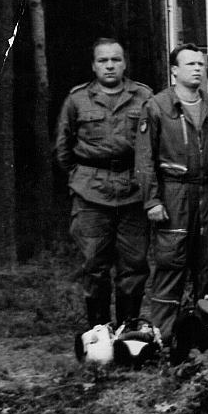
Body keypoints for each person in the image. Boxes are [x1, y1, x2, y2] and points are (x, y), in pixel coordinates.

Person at [135, 44, 208, 343]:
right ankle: (164, 337)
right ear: (174, 70)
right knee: (171, 264)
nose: (197, 69)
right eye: (190, 64)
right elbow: (144, 159)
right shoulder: (156, 107)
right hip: (174, 196)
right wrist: (152, 200)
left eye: (201, 64)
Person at [55, 38, 152, 329]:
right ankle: (98, 331)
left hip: (133, 192)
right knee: (94, 265)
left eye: (115, 59)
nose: (110, 66)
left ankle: (127, 330)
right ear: (94, 66)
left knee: (134, 265)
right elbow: (63, 148)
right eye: (103, 60)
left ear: (124, 63)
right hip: (91, 195)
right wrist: (82, 176)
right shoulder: (77, 100)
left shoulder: (144, 97)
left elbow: (156, 142)